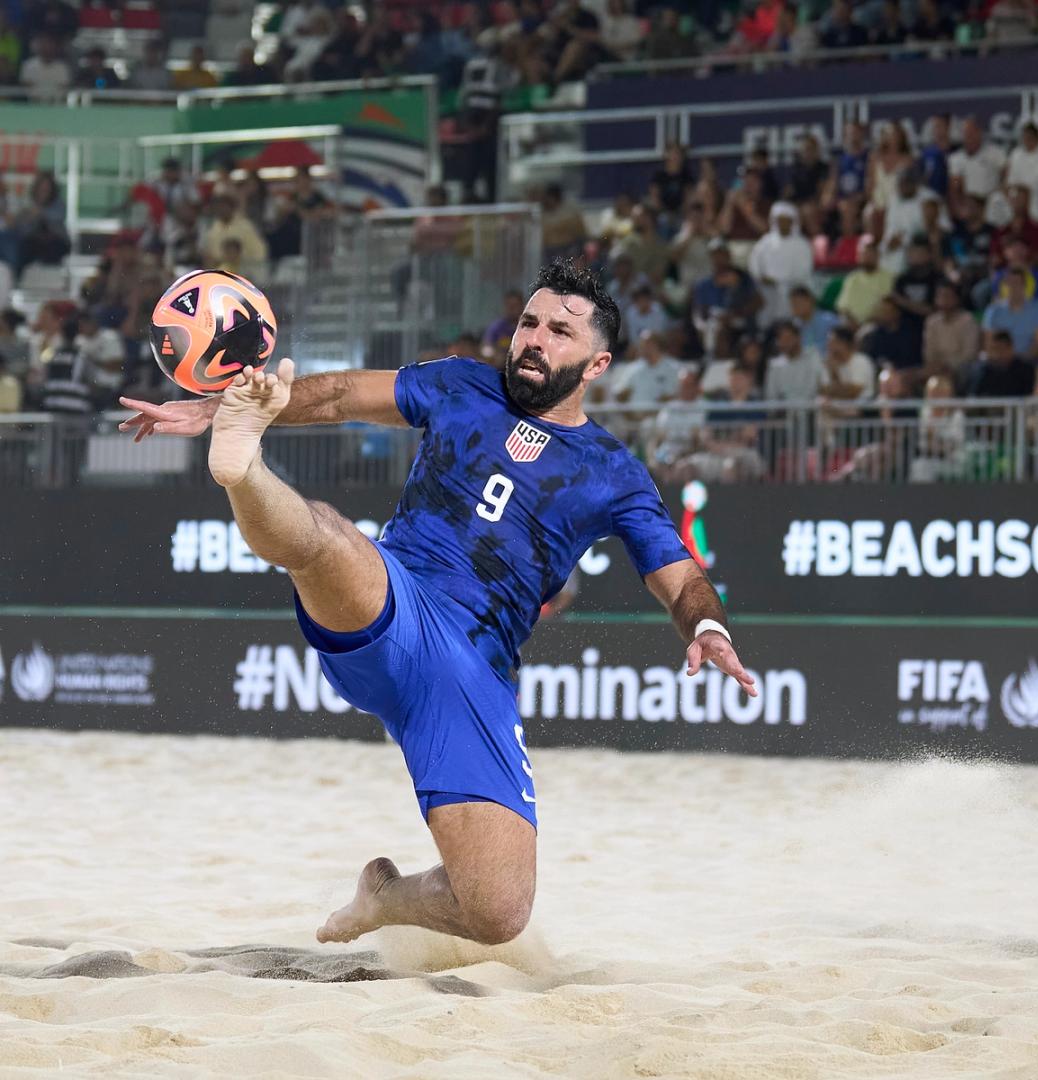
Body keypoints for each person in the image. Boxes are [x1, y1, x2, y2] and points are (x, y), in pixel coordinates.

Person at [118, 260, 756, 946]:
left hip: (475, 674)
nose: (535, 339)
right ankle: (241, 468)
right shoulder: (460, 384)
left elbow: (681, 577)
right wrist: (224, 411)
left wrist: (707, 624)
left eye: (559, 332)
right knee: (328, 536)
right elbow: (336, 395)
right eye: (529, 323)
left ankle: (385, 899)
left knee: (498, 912)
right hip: (399, 603)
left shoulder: (613, 472)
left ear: (596, 364)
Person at [747, 201, 813, 325]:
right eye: (779, 220)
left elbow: (804, 273)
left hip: (793, 291)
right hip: (768, 292)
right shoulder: (765, 243)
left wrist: (780, 281)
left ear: (793, 222)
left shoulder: (802, 245)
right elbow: (754, 266)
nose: (782, 224)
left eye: (786, 220)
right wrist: (762, 278)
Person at [981, 266, 1038, 361]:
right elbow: (989, 342)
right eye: (1011, 283)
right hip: (1000, 361)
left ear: (1024, 285)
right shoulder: (993, 310)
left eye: (1017, 283)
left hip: (1029, 361)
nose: (1014, 287)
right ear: (1005, 286)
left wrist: (1022, 361)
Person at [923, 280, 979, 388]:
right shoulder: (931, 322)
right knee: (906, 377)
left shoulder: (968, 321)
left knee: (947, 377)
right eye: (940, 296)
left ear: (956, 299)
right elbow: (929, 353)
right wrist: (937, 366)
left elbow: (969, 355)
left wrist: (948, 366)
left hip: (961, 370)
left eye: (947, 296)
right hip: (936, 368)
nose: (943, 300)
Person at [835, 238, 894, 327]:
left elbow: (887, 307)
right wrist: (854, 325)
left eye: (871, 254)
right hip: (851, 325)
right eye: (864, 254)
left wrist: (866, 325)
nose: (867, 257)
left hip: (876, 325)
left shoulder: (889, 277)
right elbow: (843, 307)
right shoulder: (852, 278)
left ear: (878, 256)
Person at [764, 319, 824, 402]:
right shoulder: (774, 365)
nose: (784, 343)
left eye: (787, 338)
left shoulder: (813, 357)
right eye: (780, 339)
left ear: (798, 337)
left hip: (810, 410)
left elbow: (817, 389)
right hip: (784, 413)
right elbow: (771, 397)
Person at [968, 330, 1036, 398]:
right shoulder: (984, 371)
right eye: (995, 349)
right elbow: (974, 397)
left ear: (1011, 348)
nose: (998, 354)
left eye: (1002, 349)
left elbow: (1029, 396)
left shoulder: (1026, 370)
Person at [482, 290, 525, 358]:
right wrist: (495, 353)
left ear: (523, 306)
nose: (512, 309)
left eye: (515, 305)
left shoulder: (528, 326)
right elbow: (486, 350)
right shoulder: (497, 328)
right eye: (509, 306)